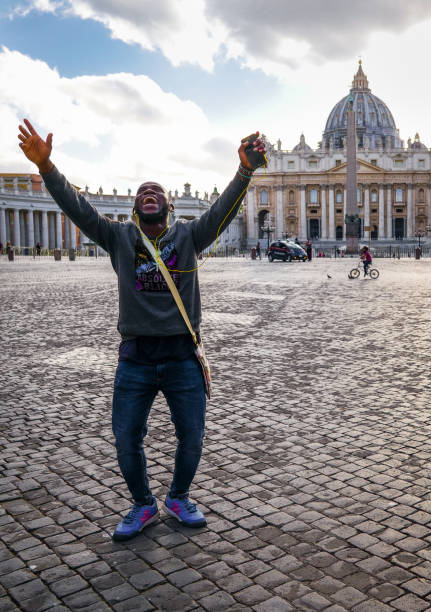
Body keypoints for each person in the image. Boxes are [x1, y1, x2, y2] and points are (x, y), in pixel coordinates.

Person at [18, 118, 266, 541]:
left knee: (192, 436)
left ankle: (179, 496)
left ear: (169, 206)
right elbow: (78, 208)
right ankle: (142, 503)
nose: (148, 194)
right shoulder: (118, 238)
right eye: (142, 193)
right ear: (135, 208)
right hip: (135, 357)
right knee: (125, 438)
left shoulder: (190, 236)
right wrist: (46, 168)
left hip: (183, 356)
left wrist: (244, 170)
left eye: (157, 192)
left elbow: (223, 211)